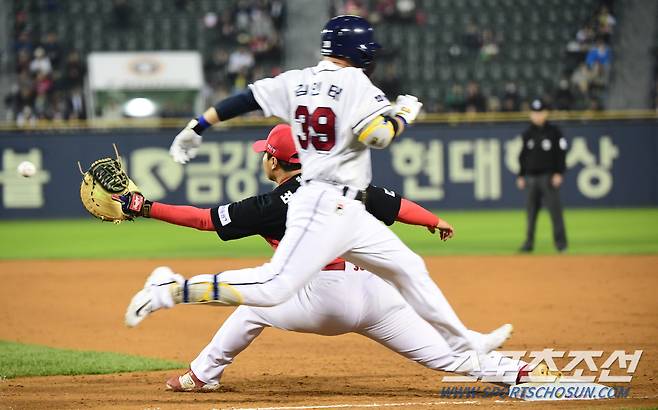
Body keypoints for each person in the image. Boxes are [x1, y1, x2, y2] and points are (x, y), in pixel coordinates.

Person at [125, 15, 512, 358]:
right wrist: (403, 116)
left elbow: (244, 99)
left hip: (351, 208)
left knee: (408, 267)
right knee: (275, 287)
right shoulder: (356, 83)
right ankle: (170, 289)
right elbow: (379, 137)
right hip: (324, 202)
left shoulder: (298, 81)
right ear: (359, 51)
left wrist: (198, 126)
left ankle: (465, 341)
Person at [117, 124, 522, 391]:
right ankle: (511, 372)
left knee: (252, 304)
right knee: (439, 353)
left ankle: (202, 374)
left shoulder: (272, 205)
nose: (263, 157)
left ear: (273, 161)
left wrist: (143, 205)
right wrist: (433, 221)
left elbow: (205, 220)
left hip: (322, 300)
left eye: (265, 153)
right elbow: (394, 205)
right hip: (372, 290)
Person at [516, 99, 568, 253]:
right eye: (534, 112)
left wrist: (559, 172)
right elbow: (522, 157)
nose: (537, 115)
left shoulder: (554, 132)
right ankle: (528, 243)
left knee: (555, 212)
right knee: (531, 213)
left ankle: (561, 244)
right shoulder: (527, 134)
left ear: (546, 113)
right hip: (531, 178)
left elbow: (561, 154)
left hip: (548, 177)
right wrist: (521, 175)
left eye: (540, 112)